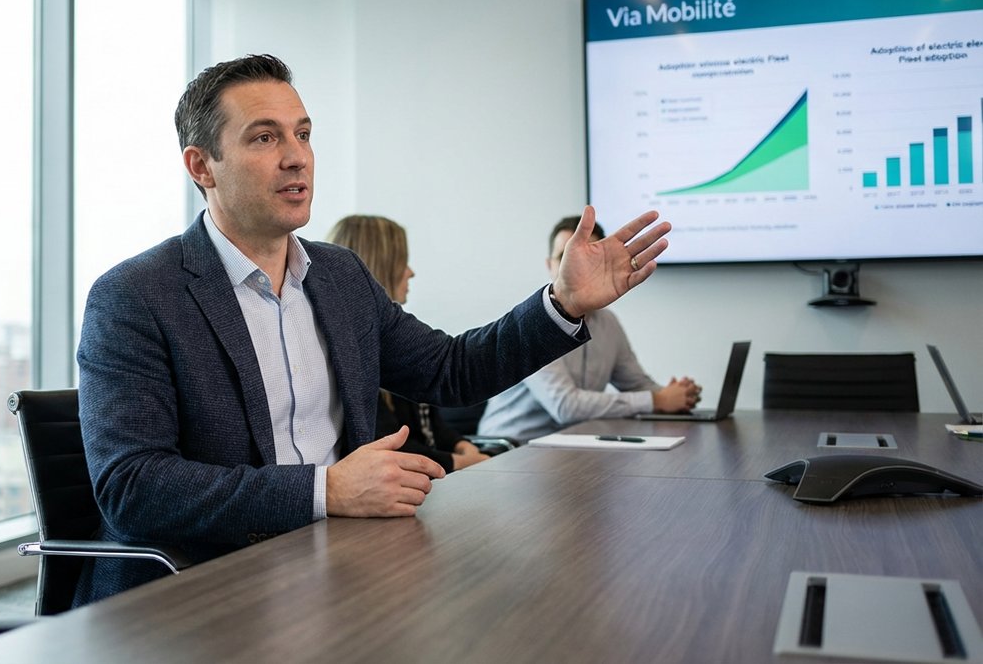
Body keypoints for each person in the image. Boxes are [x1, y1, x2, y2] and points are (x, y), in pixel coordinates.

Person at [75, 54, 670, 605]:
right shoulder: (135, 296)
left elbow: (451, 369)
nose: (296, 156)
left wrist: (562, 302)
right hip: (198, 593)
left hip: (339, 568)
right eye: (264, 137)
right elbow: (134, 487)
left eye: (303, 134)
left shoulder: (338, 275)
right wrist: (324, 491)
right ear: (201, 165)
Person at [477, 216, 700, 443]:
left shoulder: (608, 323)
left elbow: (635, 382)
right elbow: (565, 406)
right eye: (563, 257)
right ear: (549, 265)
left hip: (570, 445)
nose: (571, 266)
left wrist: (676, 396)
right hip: (508, 449)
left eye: (583, 257)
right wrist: (656, 400)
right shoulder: (531, 322)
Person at [326, 214, 491, 472]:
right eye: (402, 261)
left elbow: (430, 422)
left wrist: (461, 446)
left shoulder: (400, 339)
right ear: (381, 266)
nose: (411, 272)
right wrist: (460, 461)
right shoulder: (352, 353)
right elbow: (390, 444)